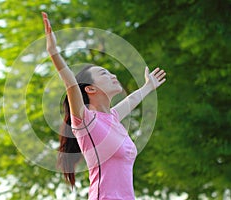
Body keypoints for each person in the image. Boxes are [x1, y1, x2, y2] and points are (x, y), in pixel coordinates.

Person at [42, 12, 166, 200]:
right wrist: (53, 52)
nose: (113, 76)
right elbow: (71, 85)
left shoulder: (113, 118)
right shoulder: (85, 121)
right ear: (91, 89)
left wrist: (148, 86)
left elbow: (131, 101)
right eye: (104, 74)